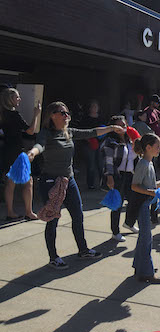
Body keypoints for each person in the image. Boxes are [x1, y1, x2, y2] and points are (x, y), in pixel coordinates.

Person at [27, 101, 126, 269]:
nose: (66, 116)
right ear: (52, 115)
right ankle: (53, 257)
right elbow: (39, 146)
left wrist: (111, 128)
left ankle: (83, 249)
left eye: (67, 113)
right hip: (50, 182)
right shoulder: (46, 133)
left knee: (78, 216)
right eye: (62, 112)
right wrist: (32, 153)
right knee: (53, 220)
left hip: (69, 180)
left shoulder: (69, 132)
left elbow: (92, 132)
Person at [1, 88, 41, 221]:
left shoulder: (3, 114)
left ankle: (10, 212)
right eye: (17, 97)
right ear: (10, 99)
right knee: (28, 182)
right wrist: (36, 114)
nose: (19, 99)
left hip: (7, 150)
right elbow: (30, 131)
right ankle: (29, 212)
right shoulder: (14, 115)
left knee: (10, 183)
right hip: (17, 152)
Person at [131, 133, 160, 284]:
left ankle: (140, 266)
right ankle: (146, 273)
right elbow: (134, 186)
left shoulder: (149, 163)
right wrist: (152, 192)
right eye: (158, 147)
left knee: (144, 237)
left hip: (145, 204)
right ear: (148, 148)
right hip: (141, 205)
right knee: (146, 238)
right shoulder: (143, 164)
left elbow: (148, 185)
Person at [102, 115, 137, 242]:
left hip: (130, 174)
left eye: (124, 124)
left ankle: (129, 222)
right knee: (117, 204)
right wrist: (109, 177)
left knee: (133, 201)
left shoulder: (130, 140)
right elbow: (108, 161)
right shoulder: (111, 141)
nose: (122, 127)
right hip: (118, 175)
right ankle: (115, 232)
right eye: (119, 125)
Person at [78, 99, 105, 189]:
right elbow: (81, 131)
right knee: (91, 165)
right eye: (92, 106)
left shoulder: (101, 118)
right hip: (89, 144)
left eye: (96, 106)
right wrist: (88, 139)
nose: (94, 108)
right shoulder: (85, 119)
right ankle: (91, 184)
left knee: (101, 164)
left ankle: (104, 183)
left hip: (100, 143)